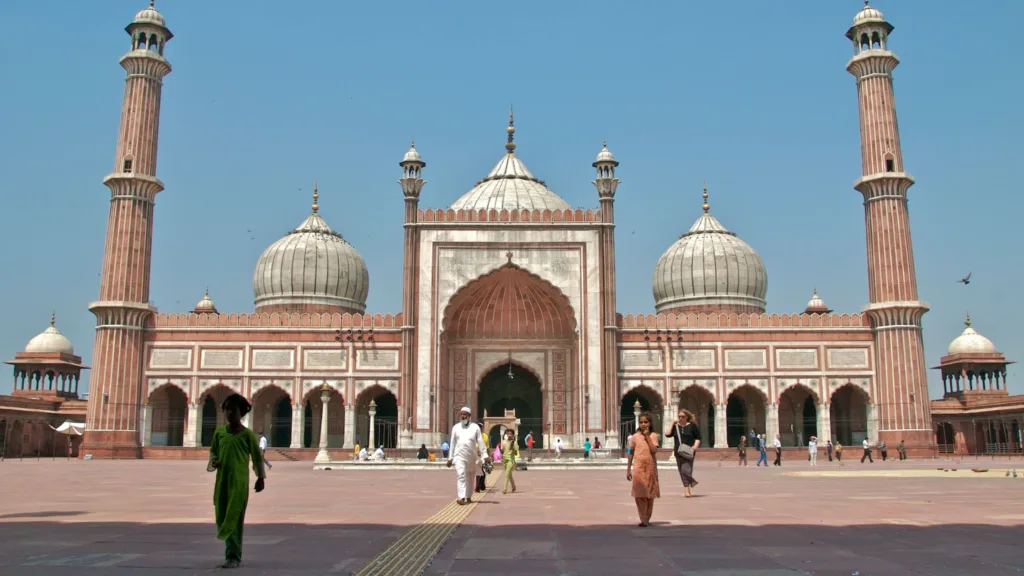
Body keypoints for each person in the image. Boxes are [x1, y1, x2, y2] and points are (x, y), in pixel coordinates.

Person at [207, 394, 266, 569]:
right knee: (222, 513)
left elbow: (256, 457)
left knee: (235, 515)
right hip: (222, 480)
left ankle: (233, 556)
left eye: (234, 410)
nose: (230, 413)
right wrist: (214, 461)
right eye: (227, 410)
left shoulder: (247, 434)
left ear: (242, 412)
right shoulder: (219, 433)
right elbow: (213, 453)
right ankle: (230, 551)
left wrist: (260, 478)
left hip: (239, 481)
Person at [446, 406, 488, 505]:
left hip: (472, 456)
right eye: (461, 414)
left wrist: (485, 455)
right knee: (460, 475)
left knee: (470, 477)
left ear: (469, 416)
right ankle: (461, 497)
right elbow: (452, 443)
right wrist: (450, 458)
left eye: (465, 414)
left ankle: (468, 496)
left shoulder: (475, 427)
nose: (463, 416)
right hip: (459, 455)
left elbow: (480, 441)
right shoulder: (456, 427)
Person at [626, 411, 660, 527]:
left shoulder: (654, 436)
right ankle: (643, 518)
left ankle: (647, 518)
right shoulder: (635, 437)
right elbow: (630, 452)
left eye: (646, 422)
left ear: (650, 423)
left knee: (650, 494)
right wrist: (628, 469)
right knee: (640, 493)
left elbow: (654, 450)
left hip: (650, 468)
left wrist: (647, 436)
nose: (643, 424)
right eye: (641, 422)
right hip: (638, 467)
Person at [666, 408, 701, 497]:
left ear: (687, 417)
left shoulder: (692, 426)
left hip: (689, 451)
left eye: (683, 416)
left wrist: (695, 446)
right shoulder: (676, 427)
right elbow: (667, 434)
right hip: (678, 452)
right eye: (679, 416)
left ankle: (687, 490)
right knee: (681, 471)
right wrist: (672, 424)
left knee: (686, 470)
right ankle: (689, 485)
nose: (681, 418)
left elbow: (698, 437)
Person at [500, 428, 519, 494]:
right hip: (504, 460)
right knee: (509, 475)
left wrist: (512, 448)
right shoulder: (504, 441)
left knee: (506, 474)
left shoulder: (514, 442)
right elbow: (502, 451)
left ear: (513, 435)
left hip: (511, 460)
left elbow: (516, 453)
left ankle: (505, 489)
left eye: (511, 434)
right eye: (508, 434)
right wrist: (501, 449)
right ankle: (513, 487)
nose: (509, 435)